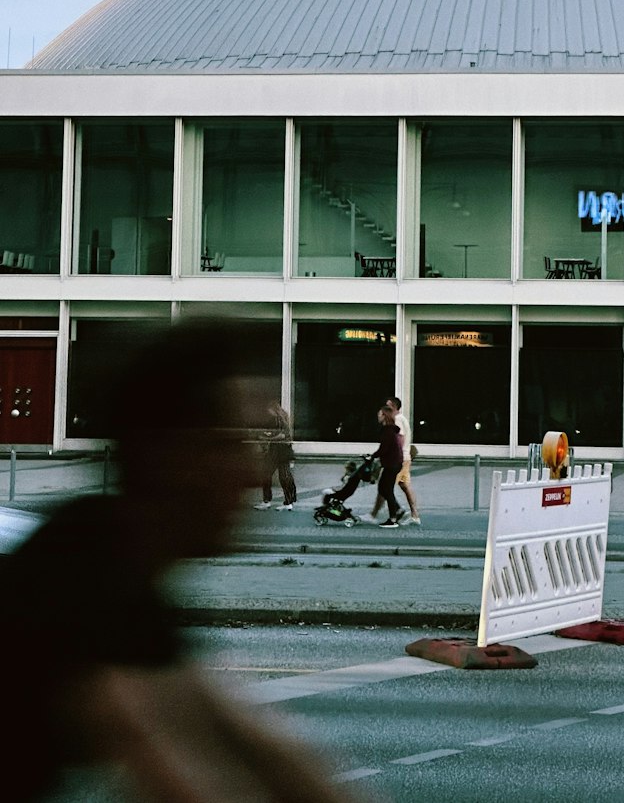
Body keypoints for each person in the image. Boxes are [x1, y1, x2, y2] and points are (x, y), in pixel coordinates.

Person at [0, 320, 366, 802]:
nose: (253, 471)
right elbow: (173, 772)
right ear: (169, 453)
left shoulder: (118, 563)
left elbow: (251, 742)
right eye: (232, 444)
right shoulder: (76, 584)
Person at [368, 395, 421, 525]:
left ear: (393, 407)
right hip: (404, 457)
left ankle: (378, 514)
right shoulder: (402, 419)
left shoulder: (396, 420)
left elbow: (399, 439)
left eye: (387, 405)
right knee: (403, 486)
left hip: (399, 459)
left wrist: (393, 455)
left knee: (385, 488)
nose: (384, 408)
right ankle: (414, 515)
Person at [255, 399, 297, 510]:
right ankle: (288, 502)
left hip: (277, 451)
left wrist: (267, 437)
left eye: (269, 410)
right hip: (284, 451)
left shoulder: (277, 420)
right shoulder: (284, 418)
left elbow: (281, 435)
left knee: (267, 474)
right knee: (284, 477)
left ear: (272, 410)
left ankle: (267, 500)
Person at [371, 402, 405, 528]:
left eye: (380, 415)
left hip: (392, 464)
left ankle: (393, 518)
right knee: (383, 488)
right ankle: (397, 510)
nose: (378, 417)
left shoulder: (387, 431)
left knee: (387, 490)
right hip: (394, 463)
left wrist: (372, 456)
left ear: (385, 416)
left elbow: (383, 449)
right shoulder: (391, 430)